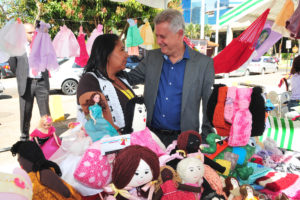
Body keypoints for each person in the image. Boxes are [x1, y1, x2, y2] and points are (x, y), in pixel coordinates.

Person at [124, 9, 214, 146]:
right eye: (157, 36)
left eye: (163, 36)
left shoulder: (203, 64)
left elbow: (209, 106)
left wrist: (205, 139)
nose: (159, 41)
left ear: (179, 34)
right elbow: (128, 79)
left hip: (184, 140)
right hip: (150, 137)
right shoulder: (151, 58)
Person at [77, 34, 136, 131]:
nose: (127, 54)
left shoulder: (121, 78)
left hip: (132, 140)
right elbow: (100, 124)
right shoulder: (89, 81)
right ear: (107, 54)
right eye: (122, 50)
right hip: (114, 143)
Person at [8, 23, 50, 141]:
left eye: (34, 32)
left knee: (45, 113)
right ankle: (24, 137)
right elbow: (13, 65)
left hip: (41, 82)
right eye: (29, 33)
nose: (33, 34)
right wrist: (22, 75)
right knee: (25, 112)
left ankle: (46, 135)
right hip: (26, 84)